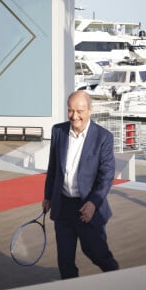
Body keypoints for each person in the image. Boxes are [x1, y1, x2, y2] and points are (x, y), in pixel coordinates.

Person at [42, 90, 119, 279]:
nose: (74, 116)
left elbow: (107, 175)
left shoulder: (103, 137)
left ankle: (119, 281)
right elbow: (53, 168)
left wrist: (93, 203)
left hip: (87, 207)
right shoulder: (58, 131)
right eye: (70, 111)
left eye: (79, 111)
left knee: (97, 254)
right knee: (65, 260)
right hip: (63, 207)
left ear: (90, 111)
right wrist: (48, 196)